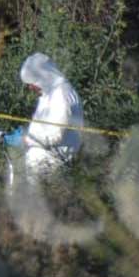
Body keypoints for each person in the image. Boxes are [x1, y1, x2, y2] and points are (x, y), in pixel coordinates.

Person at [10, 52, 84, 181]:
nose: (30, 87)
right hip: (43, 167)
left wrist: (25, 139)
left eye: (31, 82)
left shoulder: (61, 95)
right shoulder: (51, 93)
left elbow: (55, 135)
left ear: (42, 76)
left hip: (51, 168)